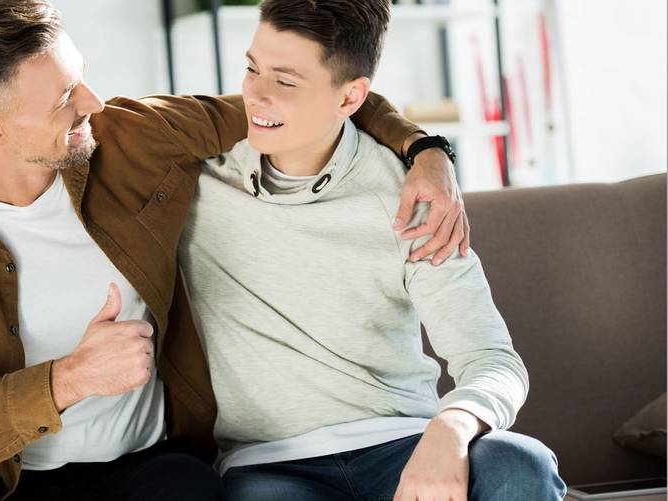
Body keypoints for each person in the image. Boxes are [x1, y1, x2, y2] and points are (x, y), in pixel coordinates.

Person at [0, 0, 467, 499]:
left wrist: (427, 151)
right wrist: (66, 382)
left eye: (81, 78)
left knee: (190, 491)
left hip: (143, 470)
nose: (92, 103)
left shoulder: (128, 138)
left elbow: (311, 101)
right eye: (65, 97)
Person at [176, 1, 567, 500]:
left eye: (286, 81)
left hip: (401, 442)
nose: (256, 95)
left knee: (520, 464)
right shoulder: (194, 179)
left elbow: (493, 359)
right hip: (270, 466)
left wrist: (453, 424)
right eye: (252, 68)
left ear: (351, 97)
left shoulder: (411, 196)